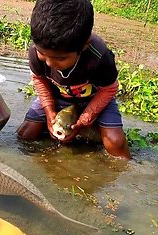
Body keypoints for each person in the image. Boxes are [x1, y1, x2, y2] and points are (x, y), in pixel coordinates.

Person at [16, 0, 131, 160]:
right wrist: (50, 112)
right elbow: (40, 80)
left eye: (60, 58)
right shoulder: (35, 52)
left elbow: (109, 89)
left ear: (84, 45)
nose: (49, 63)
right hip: (57, 97)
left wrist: (85, 120)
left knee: (115, 142)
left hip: (94, 100)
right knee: (25, 134)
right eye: (44, 54)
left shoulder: (99, 57)